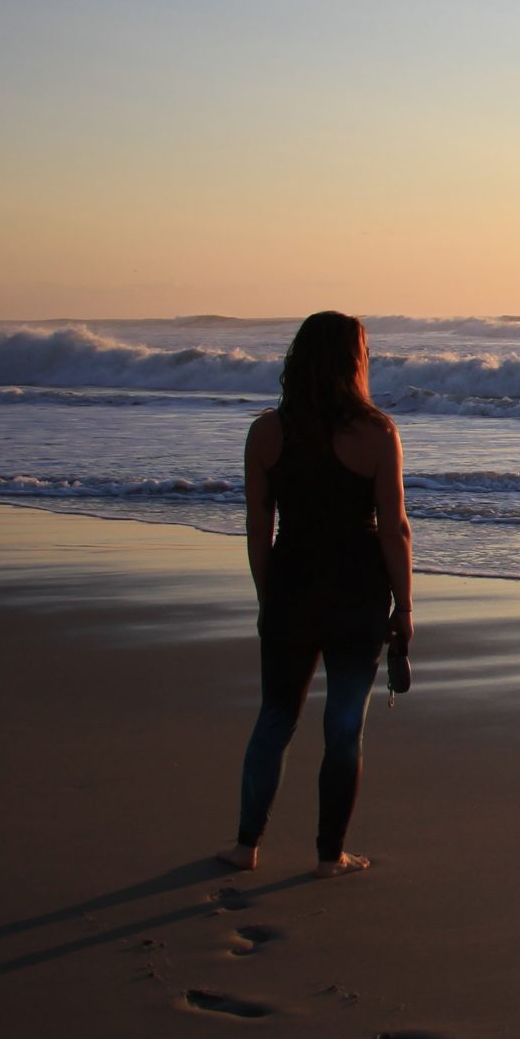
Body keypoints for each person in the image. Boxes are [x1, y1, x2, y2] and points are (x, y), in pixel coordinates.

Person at [216, 311, 412, 877]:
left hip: (291, 586)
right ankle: (330, 856)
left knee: (275, 718)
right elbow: (395, 528)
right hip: (358, 594)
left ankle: (245, 845)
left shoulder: (266, 432)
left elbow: (259, 525)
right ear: (354, 361)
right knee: (344, 727)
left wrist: (265, 596)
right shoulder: (376, 433)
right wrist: (405, 607)